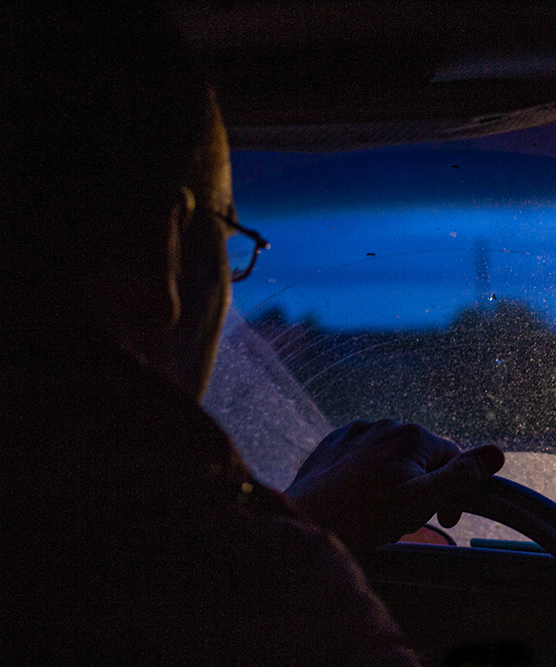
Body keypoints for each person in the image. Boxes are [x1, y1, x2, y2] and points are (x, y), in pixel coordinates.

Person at [0, 7, 503, 664]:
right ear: (161, 249)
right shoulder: (268, 590)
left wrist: (296, 518)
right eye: (226, 234)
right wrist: (281, 546)